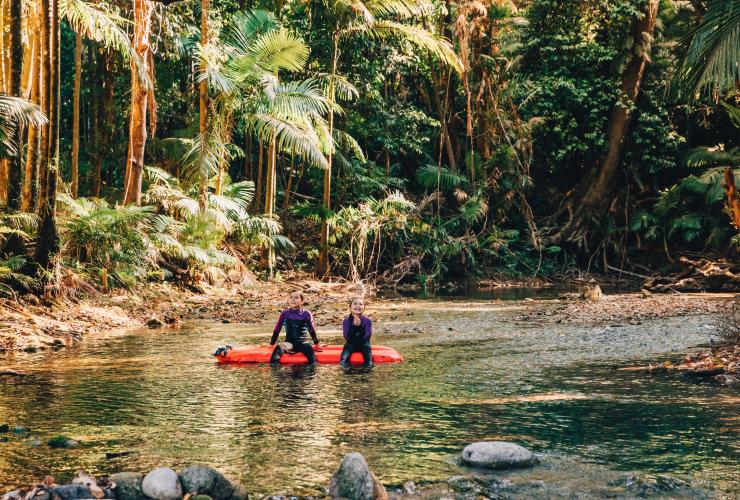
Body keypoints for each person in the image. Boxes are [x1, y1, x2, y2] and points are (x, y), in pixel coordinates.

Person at [270, 290, 322, 364]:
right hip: (289, 343)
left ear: (302, 301)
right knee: (278, 348)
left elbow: (311, 330)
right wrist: (271, 344)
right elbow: (277, 329)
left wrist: (317, 344)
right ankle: (275, 372)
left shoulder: (306, 314)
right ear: (288, 300)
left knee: (310, 353)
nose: (293, 299)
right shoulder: (285, 313)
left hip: (303, 343)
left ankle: (310, 374)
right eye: (291, 297)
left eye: (296, 297)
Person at [340, 297, 373, 367]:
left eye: (360, 304)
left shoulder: (367, 321)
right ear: (350, 307)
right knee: (343, 361)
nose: (358, 305)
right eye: (355, 303)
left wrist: (360, 326)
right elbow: (347, 337)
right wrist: (354, 326)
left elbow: (367, 337)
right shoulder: (346, 321)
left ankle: (365, 376)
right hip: (350, 344)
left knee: (369, 362)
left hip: (364, 344)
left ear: (364, 308)